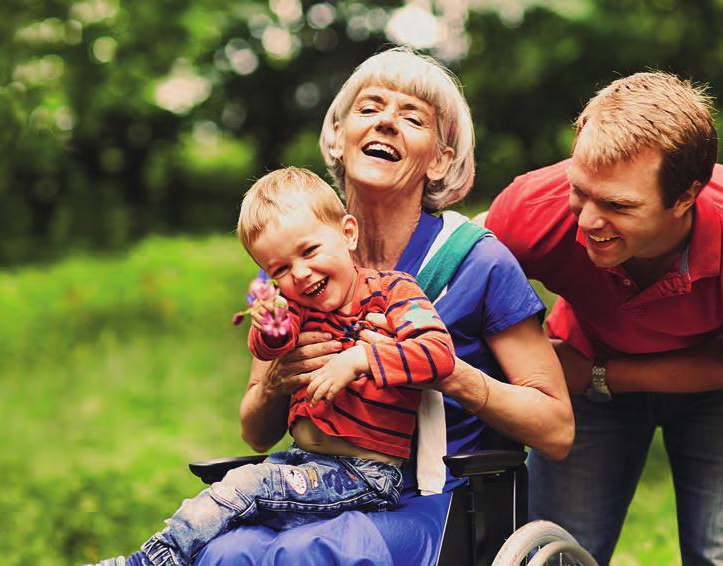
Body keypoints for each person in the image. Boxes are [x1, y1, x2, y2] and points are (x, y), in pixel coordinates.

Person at [193, 47, 575, 565]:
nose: (387, 123)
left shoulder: (477, 262)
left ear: (441, 158)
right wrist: (276, 382)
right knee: (227, 552)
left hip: (435, 499)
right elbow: (257, 434)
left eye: (412, 117)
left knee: (312, 553)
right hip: (311, 484)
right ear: (337, 136)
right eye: (370, 108)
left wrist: (446, 372)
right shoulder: (291, 267)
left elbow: (556, 429)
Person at [483, 71, 723, 565]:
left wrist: (602, 376)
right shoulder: (527, 214)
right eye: (579, 191)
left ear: (685, 197)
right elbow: (468, 298)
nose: (586, 221)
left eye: (617, 206)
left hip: (721, 379)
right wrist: (541, 363)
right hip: (585, 358)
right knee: (555, 551)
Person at [95, 167, 458, 566]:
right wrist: (271, 325)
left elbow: (437, 353)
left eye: (309, 251)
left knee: (244, 486)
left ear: (348, 233)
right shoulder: (300, 306)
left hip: (365, 474)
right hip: (300, 462)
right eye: (279, 269)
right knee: (225, 512)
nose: (300, 274)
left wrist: (359, 359)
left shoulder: (393, 291)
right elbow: (273, 347)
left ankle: (148, 563)